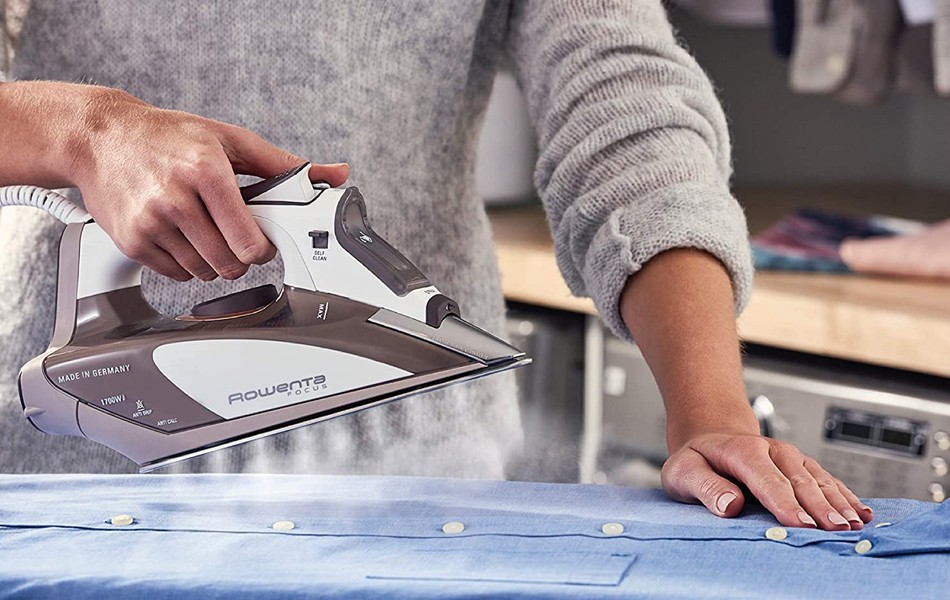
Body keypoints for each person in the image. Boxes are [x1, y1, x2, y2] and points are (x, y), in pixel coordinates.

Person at [0, 0, 871, 531]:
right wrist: (84, 134)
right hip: (60, 494)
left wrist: (709, 410)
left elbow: (623, 107)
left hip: (418, 480)